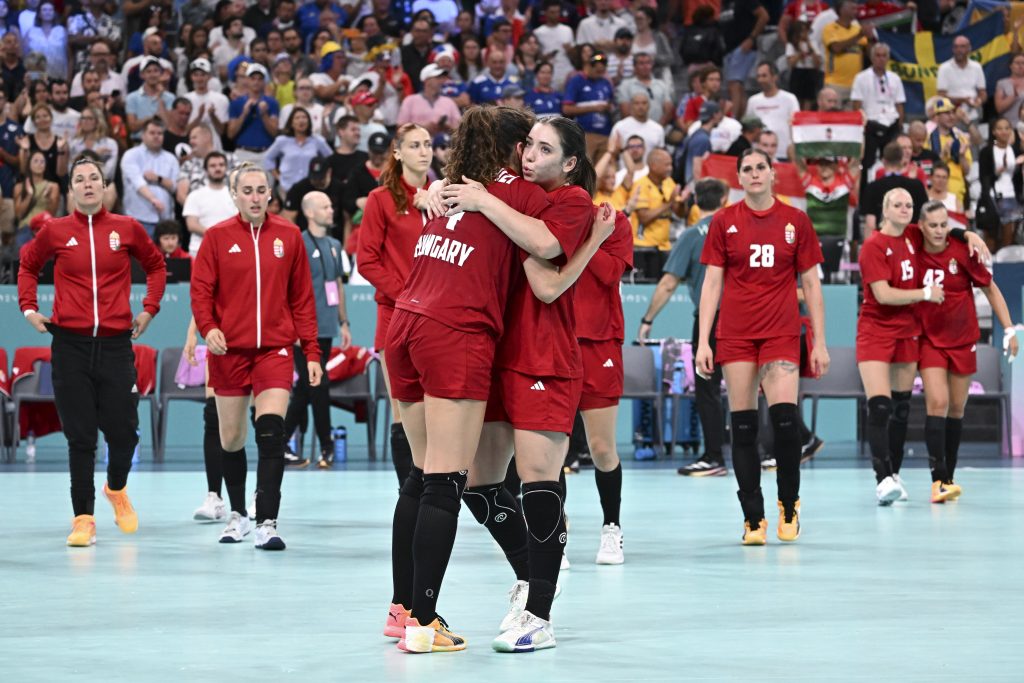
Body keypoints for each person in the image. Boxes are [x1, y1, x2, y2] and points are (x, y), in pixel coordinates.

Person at [437, 115, 610, 652]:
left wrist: (489, 205)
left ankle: (540, 614)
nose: (529, 156)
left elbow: (546, 284)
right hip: (493, 354)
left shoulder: (569, 203)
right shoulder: (509, 192)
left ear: (570, 163)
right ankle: (530, 572)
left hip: (543, 358)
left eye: (543, 149)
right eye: (527, 145)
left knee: (538, 483)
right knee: (479, 484)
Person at [17, 156, 166, 546]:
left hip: (117, 346)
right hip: (70, 346)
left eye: (94, 178)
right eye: (79, 179)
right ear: (71, 189)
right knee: (80, 437)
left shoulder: (127, 228)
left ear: (105, 187)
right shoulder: (54, 231)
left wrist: (150, 308)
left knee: (124, 434)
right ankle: (83, 518)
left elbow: (156, 266)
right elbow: (27, 267)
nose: (87, 184)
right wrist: (29, 308)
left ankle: (116, 489)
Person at [696, 148, 829, 545]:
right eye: (747, 169)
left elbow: (811, 285)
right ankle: (753, 519)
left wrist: (819, 342)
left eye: (760, 168)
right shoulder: (724, 221)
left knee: (786, 424)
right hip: (736, 334)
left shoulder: (795, 221)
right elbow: (712, 284)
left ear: (773, 174)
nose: (754, 174)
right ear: (739, 178)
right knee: (743, 428)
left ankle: (788, 504)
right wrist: (704, 339)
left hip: (781, 332)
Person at [190, 163, 322, 550]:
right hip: (228, 351)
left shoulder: (289, 236)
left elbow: (302, 299)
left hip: (275, 351)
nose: (254, 196)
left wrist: (311, 351)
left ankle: (267, 521)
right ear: (234, 195)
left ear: (269, 194)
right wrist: (208, 328)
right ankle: (237, 515)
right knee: (230, 439)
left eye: (260, 189)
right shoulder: (216, 238)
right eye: (246, 190)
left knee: (270, 430)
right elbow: (201, 292)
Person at [856, 188, 986, 505]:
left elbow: (940, 228)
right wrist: (924, 294)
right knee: (881, 405)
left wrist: (967, 232)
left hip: (907, 331)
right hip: (876, 329)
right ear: (885, 210)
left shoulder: (913, 235)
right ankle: (882, 476)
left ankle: (895, 474)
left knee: (901, 408)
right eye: (897, 204)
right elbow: (883, 295)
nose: (904, 209)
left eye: (908, 205)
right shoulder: (873, 245)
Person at [916, 201, 1017, 503]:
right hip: (928, 339)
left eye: (943, 225)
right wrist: (966, 231)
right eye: (932, 225)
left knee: (956, 409)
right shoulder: (912, 246)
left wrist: (1010, 328)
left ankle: (949, 477)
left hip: (962, 339)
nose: (938, 231)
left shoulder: (962, 251)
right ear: (921, 226)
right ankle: (937, 480)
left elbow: (990, 289)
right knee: (938, 401)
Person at [355, 123, 432, 485]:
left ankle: (436, 487)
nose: (424, 151)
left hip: (438, 318)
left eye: (428, 144)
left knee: (437, 409)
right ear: (398, 153)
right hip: (396, 316)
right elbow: (366, 260)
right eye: (414, 145)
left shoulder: (444, 196)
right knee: (404, 409)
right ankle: (410, 494)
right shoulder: (380, 199)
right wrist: (406, 294)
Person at [639, 179, 729, 477]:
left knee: (707, 387)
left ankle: (714, 456)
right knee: (755, 385)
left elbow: (668, 283)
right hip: (746, 317)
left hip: (712, 318)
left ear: (694, 203)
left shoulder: (692, 235)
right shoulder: (737, 227)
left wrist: (647, 320)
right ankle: (775, 450)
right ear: (725, 198)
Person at [573, 201, 634, 565]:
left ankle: (611, 527)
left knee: (601, 448)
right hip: (551, 341)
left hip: (599, 343)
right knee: (550, 452)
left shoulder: (614, 220)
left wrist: (591, 235)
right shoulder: (539, 217)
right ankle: (554, 531)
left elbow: (611, 273)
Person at [283, 191, 352, 469]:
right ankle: (325, 446)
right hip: (302, 331)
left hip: (326, 327)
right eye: (325, 206)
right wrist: (294, 329)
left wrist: (343, 322)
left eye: (331, 205)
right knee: (316, 385)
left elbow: (336, 285)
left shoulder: (335, 244)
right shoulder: (297, 242)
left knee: (307, 388)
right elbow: (286, 288)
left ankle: (281, 445)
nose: (331, 210)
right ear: (309, 212)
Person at [120, 118, 179, 236]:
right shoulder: (131, 155)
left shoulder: (171, 158)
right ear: (143, 135)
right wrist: (154, 199)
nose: (156, 136)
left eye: (160, 133)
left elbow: (174, 187)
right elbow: (138, 182)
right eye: (152, 133)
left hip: (165, 220)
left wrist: (159, 179)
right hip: (138, 218)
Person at [262, 107, 331, 199]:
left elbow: (331, 158)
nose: (301, 120)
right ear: (291, 123)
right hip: (287, 187)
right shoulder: (282, 140)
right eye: (297, 118)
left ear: (309, 121)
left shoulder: (317, 140)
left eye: (304, 117)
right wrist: (278, 176)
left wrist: (323, 177)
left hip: (311, 188)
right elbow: (268, 158)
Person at [978, 117, 1024, 248]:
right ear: (993, 131)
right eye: (1000, 128)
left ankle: (1005, 264)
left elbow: (1018, 178)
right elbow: (984, 177)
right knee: (991, 237)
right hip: (993, 196)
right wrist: (997, 172)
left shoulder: (1015, 150)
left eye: (1007, 128)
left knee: (1009, 238)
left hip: (1012, 196)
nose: (1004, 131)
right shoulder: (986, 151)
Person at [182, 151, 236, 258]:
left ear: (226, 168)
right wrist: (216, 236)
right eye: (213, 165)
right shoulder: (195, 195)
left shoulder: (236, 196)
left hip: (229, 250)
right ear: (205, 170)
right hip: (199, 250)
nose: (218, 168)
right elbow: (192, 225)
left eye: (221, 165)